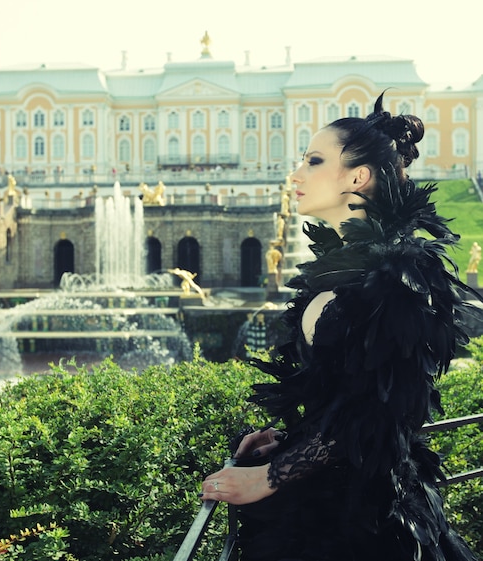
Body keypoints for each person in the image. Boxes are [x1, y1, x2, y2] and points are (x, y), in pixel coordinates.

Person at [200, 92, 480, 560]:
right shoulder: (348, 266)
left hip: (365, 521)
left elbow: (386, 412)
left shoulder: (398, 277)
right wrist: (289, 440)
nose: (295, 174)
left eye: (312, 161)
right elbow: (348, 392)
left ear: (357, 177)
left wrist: (271, 476)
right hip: (336, 501)